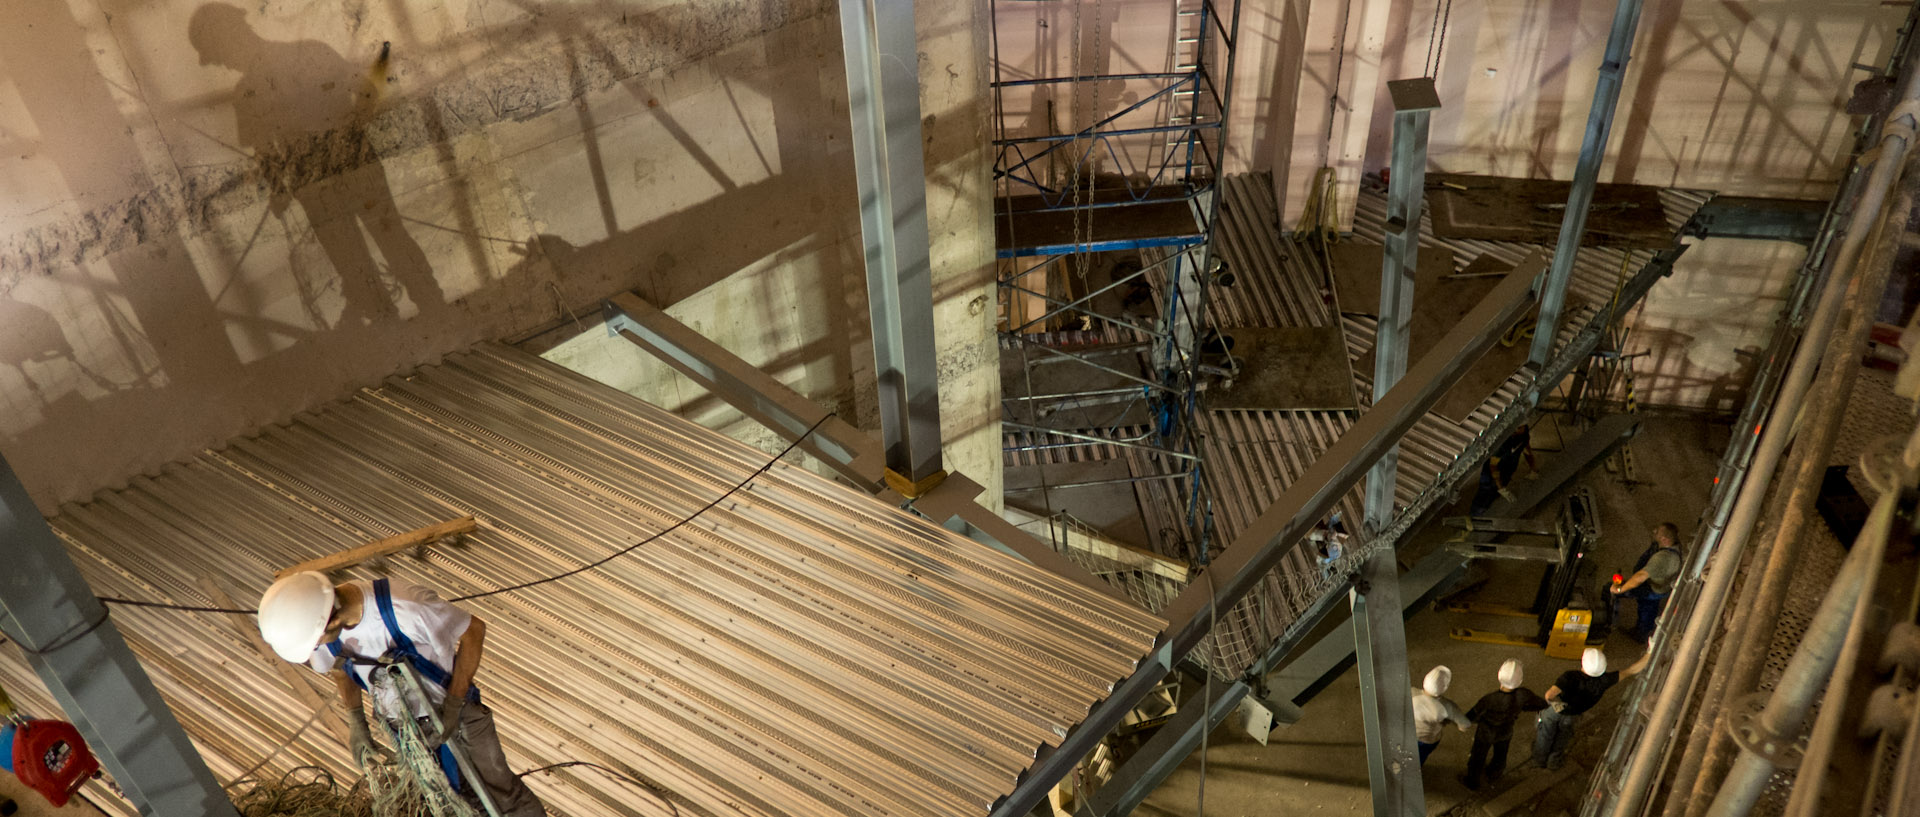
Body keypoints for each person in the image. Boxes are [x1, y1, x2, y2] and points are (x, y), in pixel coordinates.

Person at [259, 572, 546, 816]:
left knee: (502, 794)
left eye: (315, 641)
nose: (315, 647)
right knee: (448, 801)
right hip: (406, 730)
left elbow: (473, 631)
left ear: (331, 621)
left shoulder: (407, 607)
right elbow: (338, 668)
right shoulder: (321, 631)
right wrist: (356, 719)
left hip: (456, 714)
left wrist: (455, 703)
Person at [1532, 647, 1650, 770]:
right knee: (1563, 737)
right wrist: (1650, 653)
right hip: (1574, 715)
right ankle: (1553, 762)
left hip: (1556, 711)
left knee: (1545, 733)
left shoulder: (1570, 676)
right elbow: (1631, 670)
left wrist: (1559, 708)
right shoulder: (1604, 681)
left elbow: (1549, 695)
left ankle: (1539, 759)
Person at [1460, 660, 1548, 789]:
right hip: (1506, 731)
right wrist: (1522, 708)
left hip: (1486, 732)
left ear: (1499, 676)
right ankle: (1494, 774)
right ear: (1520, 680)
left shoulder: (1489, 699)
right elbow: (1542, 704)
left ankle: (1472, 782)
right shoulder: (1523, 695)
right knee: (1500, 754)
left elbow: (1470, 717)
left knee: (1478, 756)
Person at [1611, 523, 1683, 642]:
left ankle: (1641, 634)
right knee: (1649, 607)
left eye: (1657, 533)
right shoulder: (1672, 547)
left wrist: (1619, 589)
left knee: (1646, 608)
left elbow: (1640, 577)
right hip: (1659, 582)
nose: (1654, 531)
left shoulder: (1662, 558)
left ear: (1665, 540)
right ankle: (1644, 627)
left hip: (1653, 589)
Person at [1412, 666, 1473, 765]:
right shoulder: (1448, 706)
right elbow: (1465, 725)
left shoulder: (1411, 692)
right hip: (1428, 740)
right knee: (1420, 758)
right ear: (1444, 687)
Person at [1471, 424, 1537, 515]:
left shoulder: (1523, 438)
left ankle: (1489, 512)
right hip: (1491, 476)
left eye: (1519, 428)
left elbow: (1527, 451)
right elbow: (1493, 466)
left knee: (1495, 497)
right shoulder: (1502, 443)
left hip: (1506, 472)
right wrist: (1501, 488)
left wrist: (1533, 469)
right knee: (1484, 497)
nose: (1515, 430)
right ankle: (1475, 518)